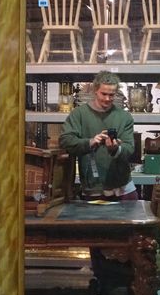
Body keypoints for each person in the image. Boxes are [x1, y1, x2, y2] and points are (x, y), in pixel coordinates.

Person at [59, 71, 138, 200]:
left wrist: (116, 149)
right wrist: (90, 142)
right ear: (95, 90)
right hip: (93, 188)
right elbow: (65, 141)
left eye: (111, 95)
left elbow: (129, 148)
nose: (107, 99)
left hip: (122, 188)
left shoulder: (124, 117)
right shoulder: (79, 114)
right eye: (104, 94)